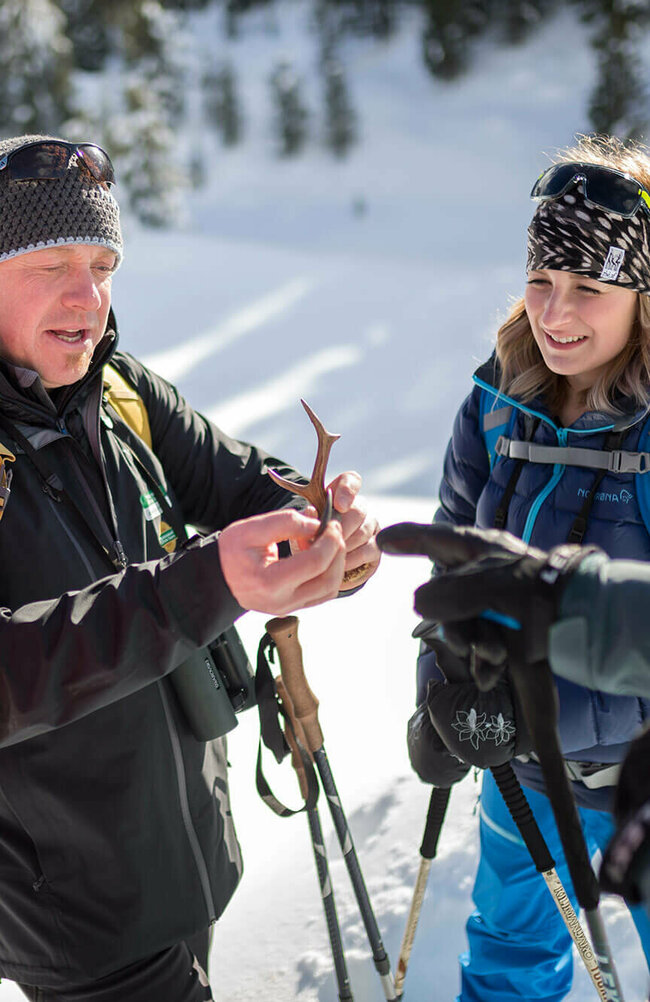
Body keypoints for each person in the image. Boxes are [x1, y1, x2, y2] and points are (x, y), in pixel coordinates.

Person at [0, 134, 380, 1002]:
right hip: (74, 906)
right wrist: (209, 583)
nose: (87, 296)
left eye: (103, 263)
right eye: (50, 262)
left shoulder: (119, 391)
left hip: (186, 850)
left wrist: (328, 530)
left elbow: (243, 483)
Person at [400, 134, 650, 1002]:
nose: (556, 313)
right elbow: (450, 553)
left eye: (589, 288)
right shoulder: (499, 398)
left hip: (643, 780)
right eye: (542, 281)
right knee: (508, 959)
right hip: (523, 768)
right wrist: (438, 685)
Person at [376, 518, 650, 922]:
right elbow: (451, 572)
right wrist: (437, 694)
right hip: (521, 777)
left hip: (633, 784)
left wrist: (534, 719)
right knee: (507, 941)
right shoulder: (488, 448)